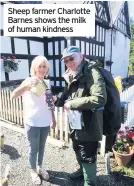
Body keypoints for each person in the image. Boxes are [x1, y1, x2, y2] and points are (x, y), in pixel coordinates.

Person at [54, 46, 107, 186]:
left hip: (89, 123)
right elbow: (67, 94)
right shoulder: (72, 74)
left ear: (81, 56)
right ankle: (81, 171)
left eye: (72, 58)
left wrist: (73, 103)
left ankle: (90, 182)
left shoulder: (92, 72)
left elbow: (100, 98)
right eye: (66, 60)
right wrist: (57, 99)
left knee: (88, 153)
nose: (69, 62)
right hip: (76, 121)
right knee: (77, 147)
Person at [11, 56, 56, 185]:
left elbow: (49, 103)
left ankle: (40, 168)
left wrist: (53, 118)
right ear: (34, 68)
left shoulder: (47, 83)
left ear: (47, 69)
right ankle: (33, 171)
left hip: (45, 121)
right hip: (32, 122)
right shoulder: (29, 81)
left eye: (44, 67)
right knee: (33, 148)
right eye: (39, 66)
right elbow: (13, 95)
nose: (42, 69)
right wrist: (25, 86)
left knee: (42, 148)